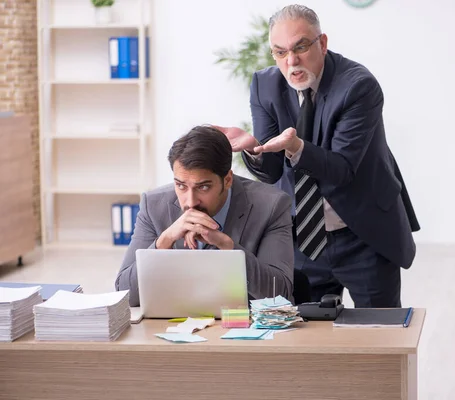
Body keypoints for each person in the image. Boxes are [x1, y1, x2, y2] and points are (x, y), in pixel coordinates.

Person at [215, 4, 420, 308]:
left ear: (322, 43)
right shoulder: (265, 85)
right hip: (304, 238)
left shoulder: (358, 86)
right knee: (307, 340)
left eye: (300, 47)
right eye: (280, 52)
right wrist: (253, 147)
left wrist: (296, 147)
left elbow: (342, 169)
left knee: (379, 337)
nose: (292, 61)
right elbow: (271, 171)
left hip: (363, 233)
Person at [115, 125, 294, 307]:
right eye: (181, 186)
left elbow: (280, 295)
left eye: (203, 187)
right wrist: (165, 241)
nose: (190, 202)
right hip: (170, 328)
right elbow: (124, 294)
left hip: (240, 329)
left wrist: (229, 248)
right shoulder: (154, 206)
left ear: (227, 180)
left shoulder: (271, 206)